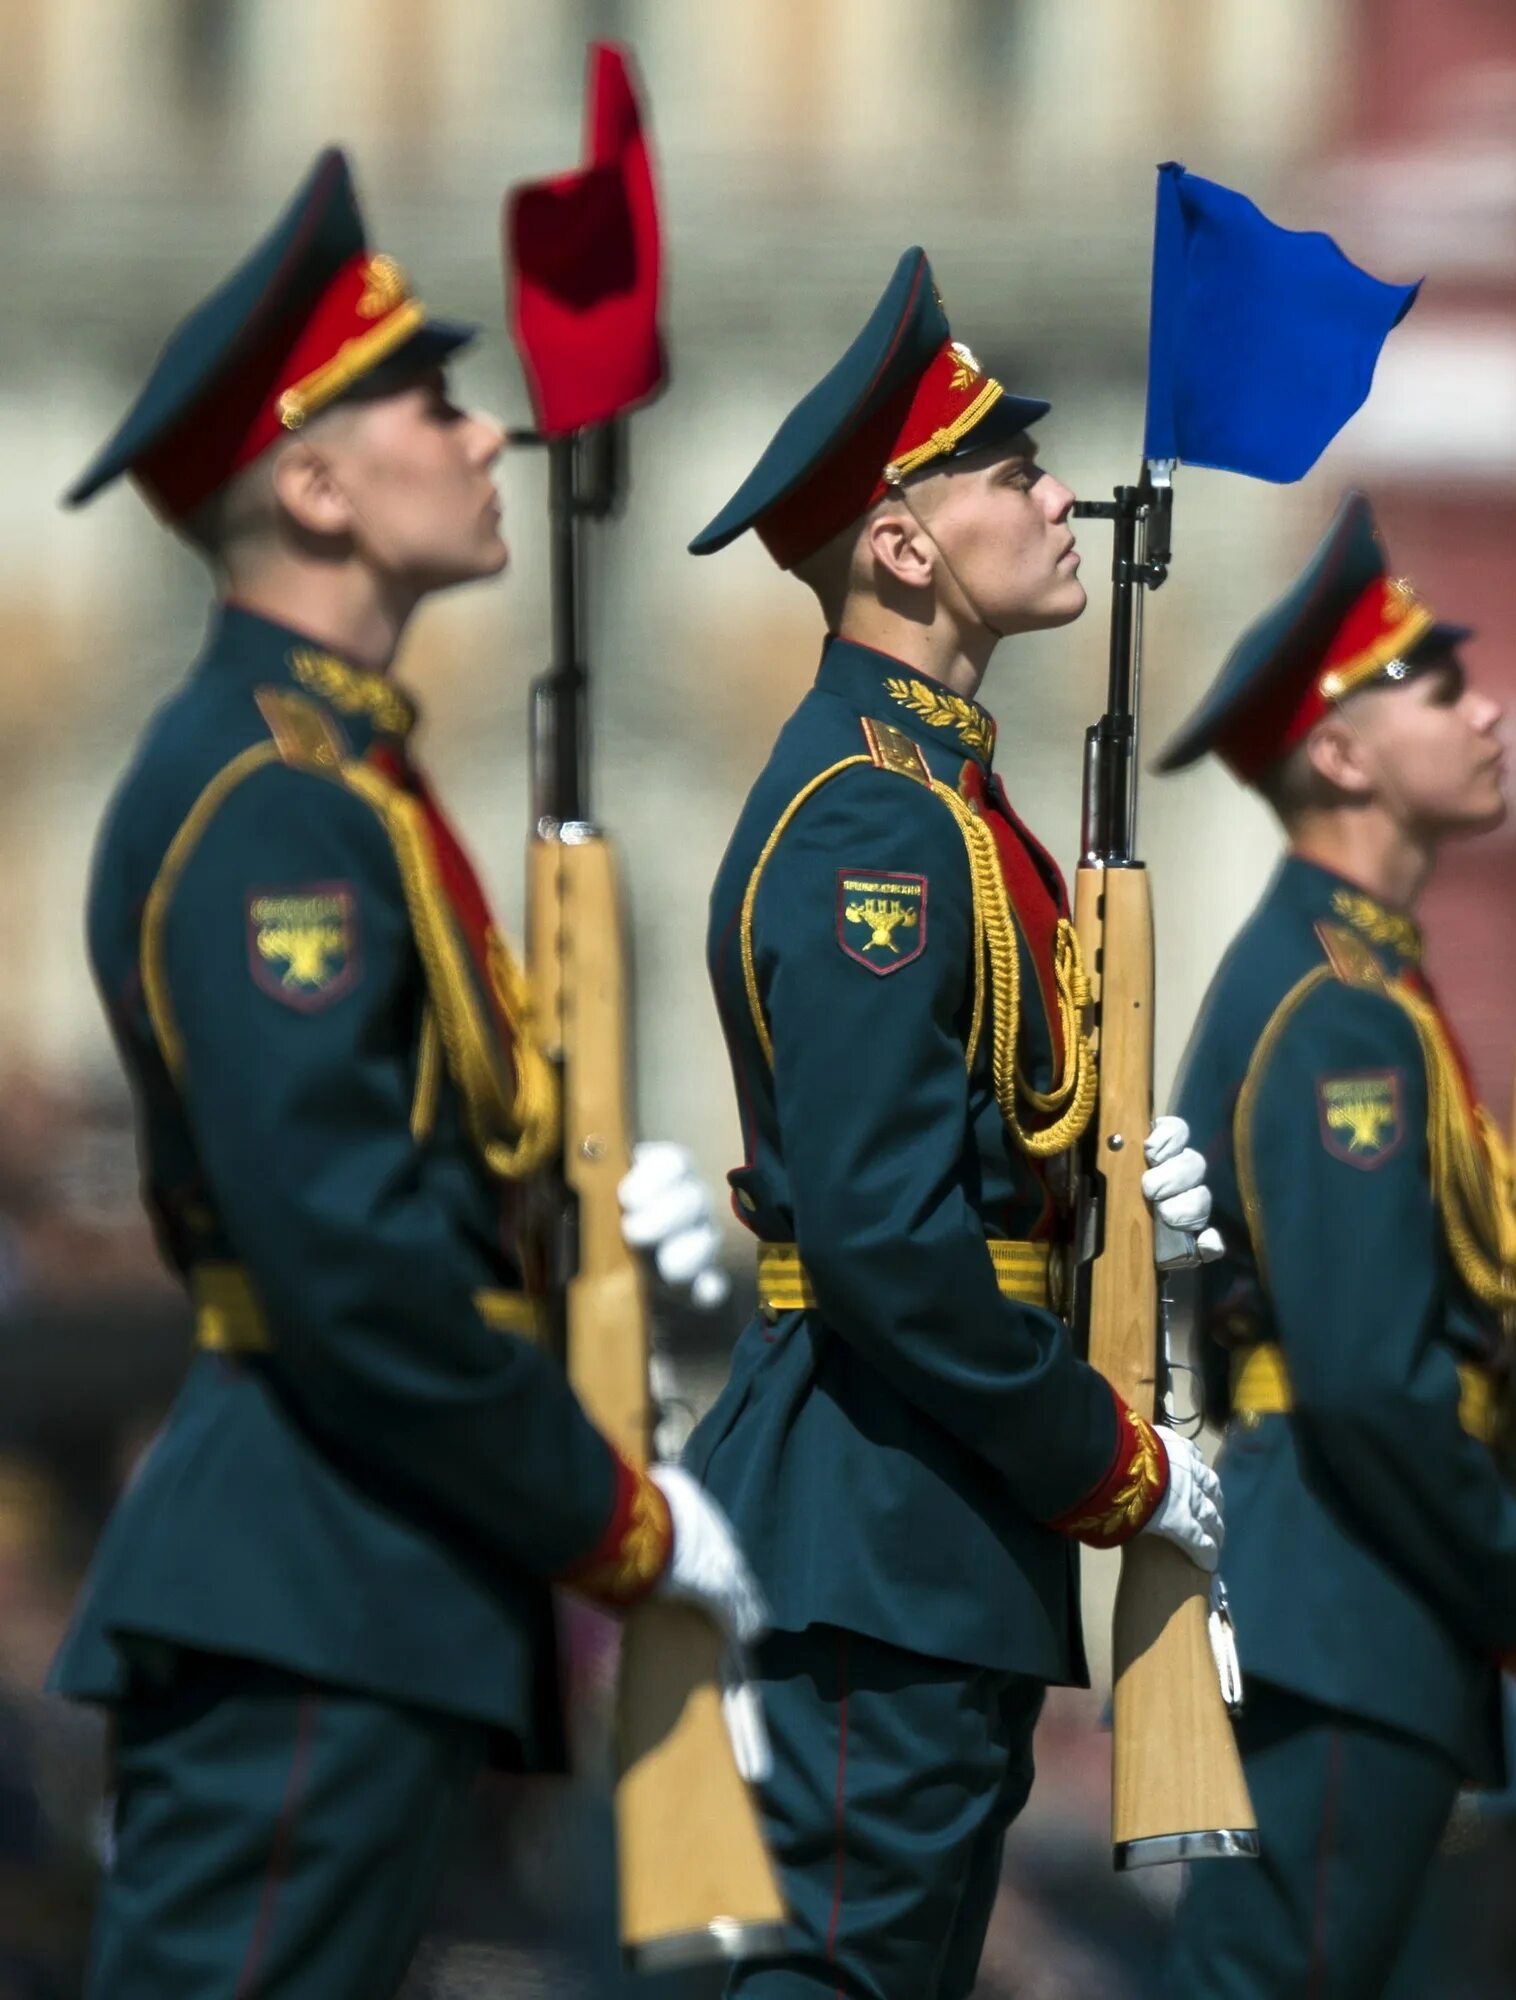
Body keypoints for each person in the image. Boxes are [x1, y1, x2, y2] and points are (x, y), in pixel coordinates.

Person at [55, 149, 762, 1996]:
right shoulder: (272, 800)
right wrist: (603, 1510)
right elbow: (346, 1244)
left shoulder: (341, 776)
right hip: (313, 1567)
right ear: (310, 485)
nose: (483, 438)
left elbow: (432, 1171)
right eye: (431, 406)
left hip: (377, 1567)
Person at [678, 247, 1226, 1999]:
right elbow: (883, 1235)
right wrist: (1104, 1455)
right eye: (1007, 472)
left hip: (929, 1524)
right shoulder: (872, 825)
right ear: (903, 543)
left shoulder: (943, 796)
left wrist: (1126, 1212)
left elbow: (983, 1150)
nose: (1056, 498)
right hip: (873, 1522)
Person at [1153, 493, 1516, 2000]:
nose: (1484, 711)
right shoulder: (1342, 1016)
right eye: (1432, 687)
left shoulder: (1368, 989)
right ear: (1339, 753)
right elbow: (1371, 1380)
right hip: (1343, 1602)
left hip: (1360, 1598)